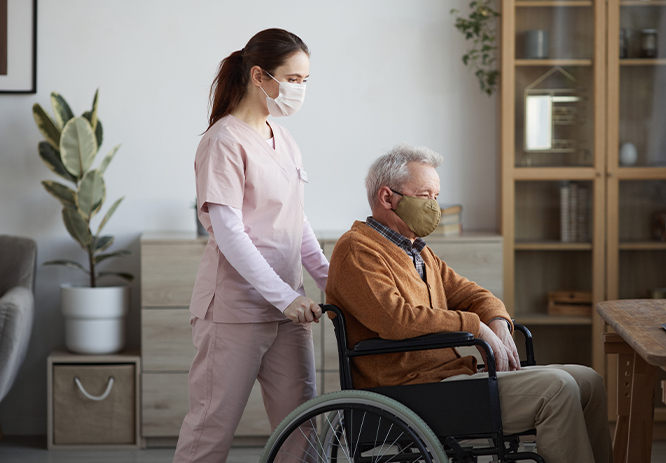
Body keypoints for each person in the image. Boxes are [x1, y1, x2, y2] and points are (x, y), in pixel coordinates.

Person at [325, 143, 613, 463]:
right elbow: (397, 319)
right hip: (410, 389)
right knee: (558, 388)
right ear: (387, 197)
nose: (434, 206)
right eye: (425, 196)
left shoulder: (419, 252)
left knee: (589, 381)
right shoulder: (358, 249)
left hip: (447, 381)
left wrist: (498, 324)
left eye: (436, 196)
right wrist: (475, 327)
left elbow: (473, 295)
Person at [173, 28, 328, 463]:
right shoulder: (223, 140)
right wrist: (284, 298)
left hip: (288, 313)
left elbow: (296, 223)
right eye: (292, 79)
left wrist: (332, 280)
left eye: (305, 81)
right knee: (210, 429)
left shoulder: (285, 140)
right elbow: (229, 233)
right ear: (260, 76)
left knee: (301, 430)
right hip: (235, 313)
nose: (299, 89)